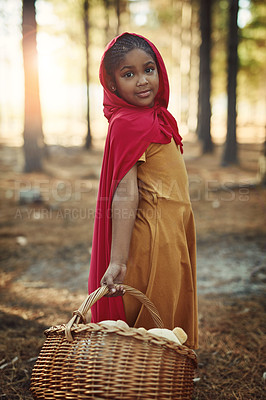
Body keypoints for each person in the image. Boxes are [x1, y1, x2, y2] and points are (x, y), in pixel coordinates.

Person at [88, 32, 198, 349]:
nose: (142, 81)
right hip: (153, 237)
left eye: (148, 69)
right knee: (151, 321)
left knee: (170, 313)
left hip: (174, 231)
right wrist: (118, 260)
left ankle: (164, 380)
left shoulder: (158, 118)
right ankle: (140, 383)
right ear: (112, 84)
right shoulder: (127, 122)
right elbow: (124, 192)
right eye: (129, 74)